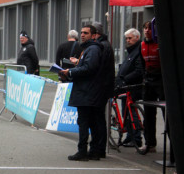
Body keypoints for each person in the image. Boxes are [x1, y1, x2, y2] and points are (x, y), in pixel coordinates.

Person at [59, 25, 105, 161]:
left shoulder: (93, 49)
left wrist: (71, 72)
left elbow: (89, 68)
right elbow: (84, 69)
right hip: (86, 91)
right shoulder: (88, 49)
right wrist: (68, 75)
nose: (83, 35)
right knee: (89, 122)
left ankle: (84, 151)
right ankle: (91, 150)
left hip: (87, 92)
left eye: (86, 33)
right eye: (82, 33)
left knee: (85, 122)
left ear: (93, 35)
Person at [115, 28, 145, 147]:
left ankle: (135, 137)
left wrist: (125, 78)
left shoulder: (138, 51)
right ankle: (130, 136)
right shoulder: (132, 50)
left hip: (133, 86)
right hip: (126, 86)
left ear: (137, 38)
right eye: (126, 38)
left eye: (130, 38)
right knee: (126, 111)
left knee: (130, 112)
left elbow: (138, 70)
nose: (127, 40)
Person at [139, 21, 164, 154]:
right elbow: (141, 63)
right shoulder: (142, 45)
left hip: (161, 81)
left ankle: (174, 146)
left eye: (150, 28)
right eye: (145, 28)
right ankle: (149, 143)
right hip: (148, 81)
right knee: (148, 114)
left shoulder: (159, 44)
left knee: (167, 113)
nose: (147, 31)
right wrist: (144, 76)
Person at [92, 22, 115, 157]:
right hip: (102, 86)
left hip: (101, 87)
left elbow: (98, 68)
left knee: (98, 118)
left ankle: (99, 148)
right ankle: (99, 147)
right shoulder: (103, 45)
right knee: (98, 117)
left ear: (96, 34)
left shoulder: (102, 46)